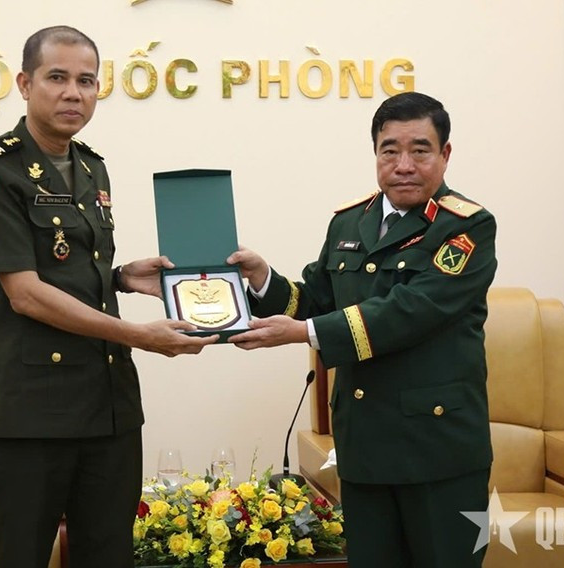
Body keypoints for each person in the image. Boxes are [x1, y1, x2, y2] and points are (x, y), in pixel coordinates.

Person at [0, 25, 218, 568]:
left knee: (109, 554)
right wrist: (138, 336)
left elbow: (68, 266)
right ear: (25, 84)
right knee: (23, 556)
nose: (74, 93)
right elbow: (26, 294)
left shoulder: (91, 166)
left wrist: (122, 278)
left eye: (86, 80)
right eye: (57, 78)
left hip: (108, 406)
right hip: (32, 414)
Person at [227, 92, 497, 567]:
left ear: (445, 154)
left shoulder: (467, 227)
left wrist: (302, 333)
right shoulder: (351, 221)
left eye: (420, 149)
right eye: (389, 150)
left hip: (438, 452)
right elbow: (312, 298)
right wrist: (262, 277)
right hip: (364, 446)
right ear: (375, 155)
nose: (404, 164)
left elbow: (410, 311)